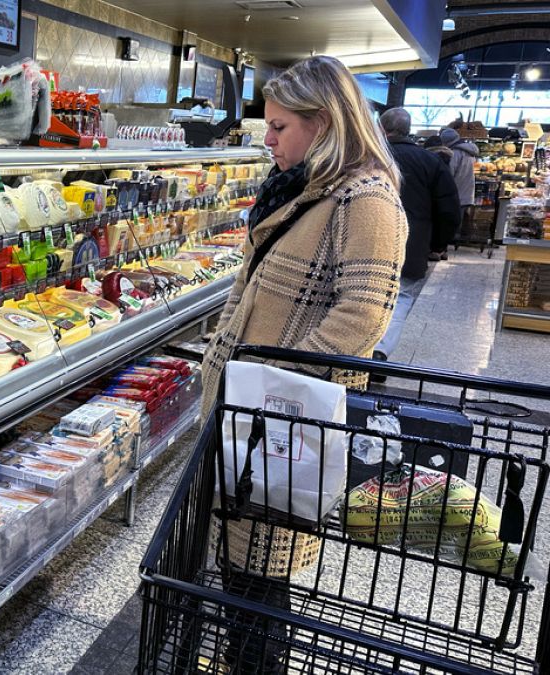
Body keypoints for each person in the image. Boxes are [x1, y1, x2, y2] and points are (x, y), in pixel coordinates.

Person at [199, 55, 407, 674]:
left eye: (280, 128)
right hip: (253, 415)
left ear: (326, 124)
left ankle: (256, 666)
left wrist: (276, 388)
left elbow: (361, 318)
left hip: (281, 423)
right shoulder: (308, 190)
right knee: (245, 571)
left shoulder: (364, 200)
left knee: (261, 575)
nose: (268, 142)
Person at [373, 108, 461, 366]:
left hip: (369, 239)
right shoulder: (430, 162)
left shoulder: (370, 156)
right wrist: (437, 245)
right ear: (408, 130)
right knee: (401, 298)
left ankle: (352, 354)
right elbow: (449, 210)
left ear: (382, 129)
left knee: (363, 293)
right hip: (412, 244)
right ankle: (379, 353)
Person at [441, 126, 480, 252]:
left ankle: (446, 243)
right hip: (467, 191)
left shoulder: (455, 153)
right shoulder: (470, 152)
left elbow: (449, 173)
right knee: (459, 218)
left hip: (456, 192)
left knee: (450, 221)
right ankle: (454, 240)